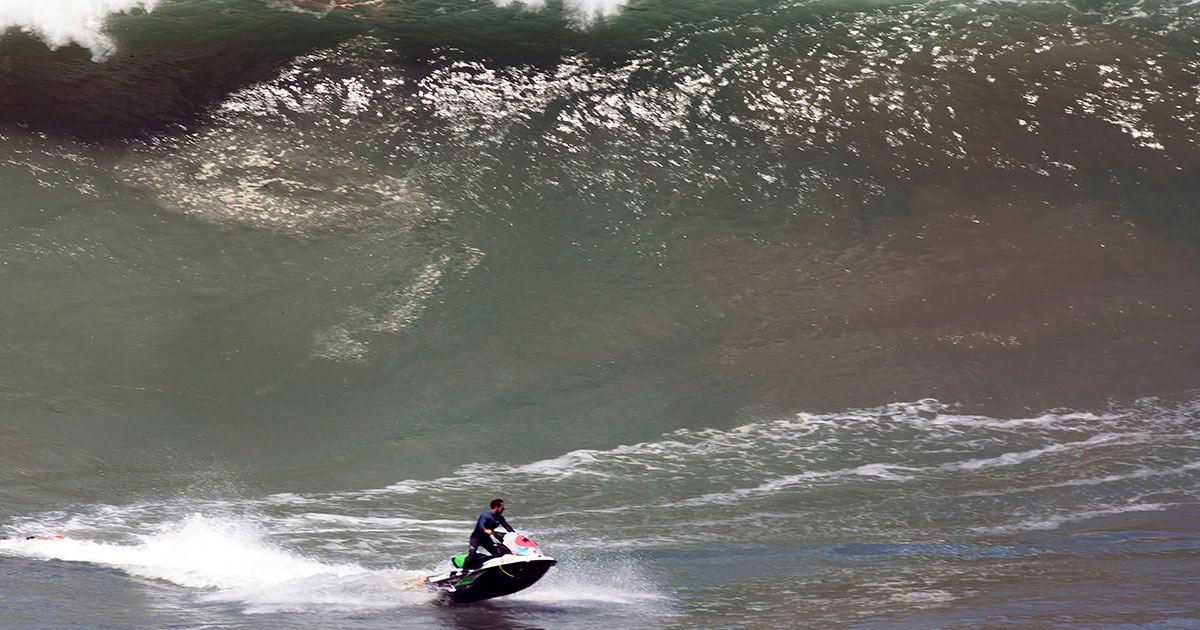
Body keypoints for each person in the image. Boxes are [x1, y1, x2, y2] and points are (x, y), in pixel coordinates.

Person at [465, 498, 515, 570]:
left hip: (486, 539)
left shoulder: (500, 518)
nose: (504, 509)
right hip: (476, 538)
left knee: (498, 553)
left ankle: (488, 566)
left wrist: (515, 534)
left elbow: (507, 526)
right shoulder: (486, 515)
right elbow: (480, 524)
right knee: (471, 555)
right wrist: (485, 529)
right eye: (502, 507)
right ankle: (464, 571)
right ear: (496, 507)